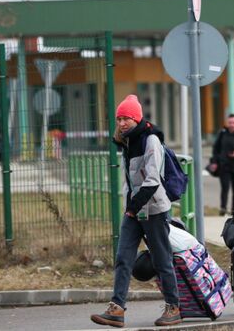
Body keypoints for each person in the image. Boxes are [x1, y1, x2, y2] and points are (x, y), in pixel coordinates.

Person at [91, 95, 181, 328]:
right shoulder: (127, 142)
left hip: (154, 209)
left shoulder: (150, 140)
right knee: (123, 258)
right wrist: (130, 208)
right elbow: (131, 180)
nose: (122, 123)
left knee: (161, 260)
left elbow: (152, 181)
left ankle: (173, 307)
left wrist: (133, 207)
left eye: (127, 119)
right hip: (134, 210)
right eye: (119, 119)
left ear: (137, 118)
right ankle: (117, 308)